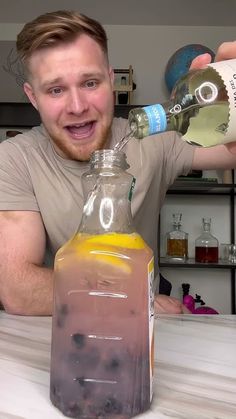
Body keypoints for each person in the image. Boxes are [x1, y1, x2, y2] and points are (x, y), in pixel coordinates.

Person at [0, 10, 236, 316]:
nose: (77, 106)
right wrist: (129, 299)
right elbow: (19, 290)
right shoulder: (14, 158)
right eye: (56, 89)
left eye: (90, 83)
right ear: (33, 97)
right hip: (56, 331)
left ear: (110, 80)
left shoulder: (156, 139)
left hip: (142, 336)